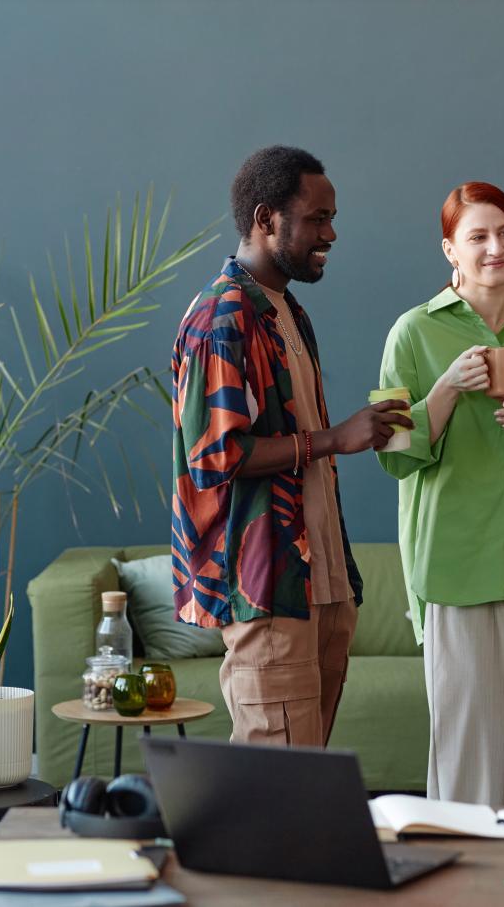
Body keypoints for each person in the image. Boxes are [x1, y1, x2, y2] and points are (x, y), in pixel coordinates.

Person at [170, 145, 412, 747]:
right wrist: (335, 439)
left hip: (320, 583)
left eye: (332, 218)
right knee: (274, 779)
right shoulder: (222, 319)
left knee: (304, 773)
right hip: (267, 585)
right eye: (316, 219)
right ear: (265, 218)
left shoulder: (286, 311)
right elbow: (214, 456)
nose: (330, 233)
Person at [376, 182, 504, 807]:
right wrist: (443, 391)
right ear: (451, 250)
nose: (495, 247)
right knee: (470, 750)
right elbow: (390, 454)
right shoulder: (412, 332)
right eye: (478, 236)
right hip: (457, 565)